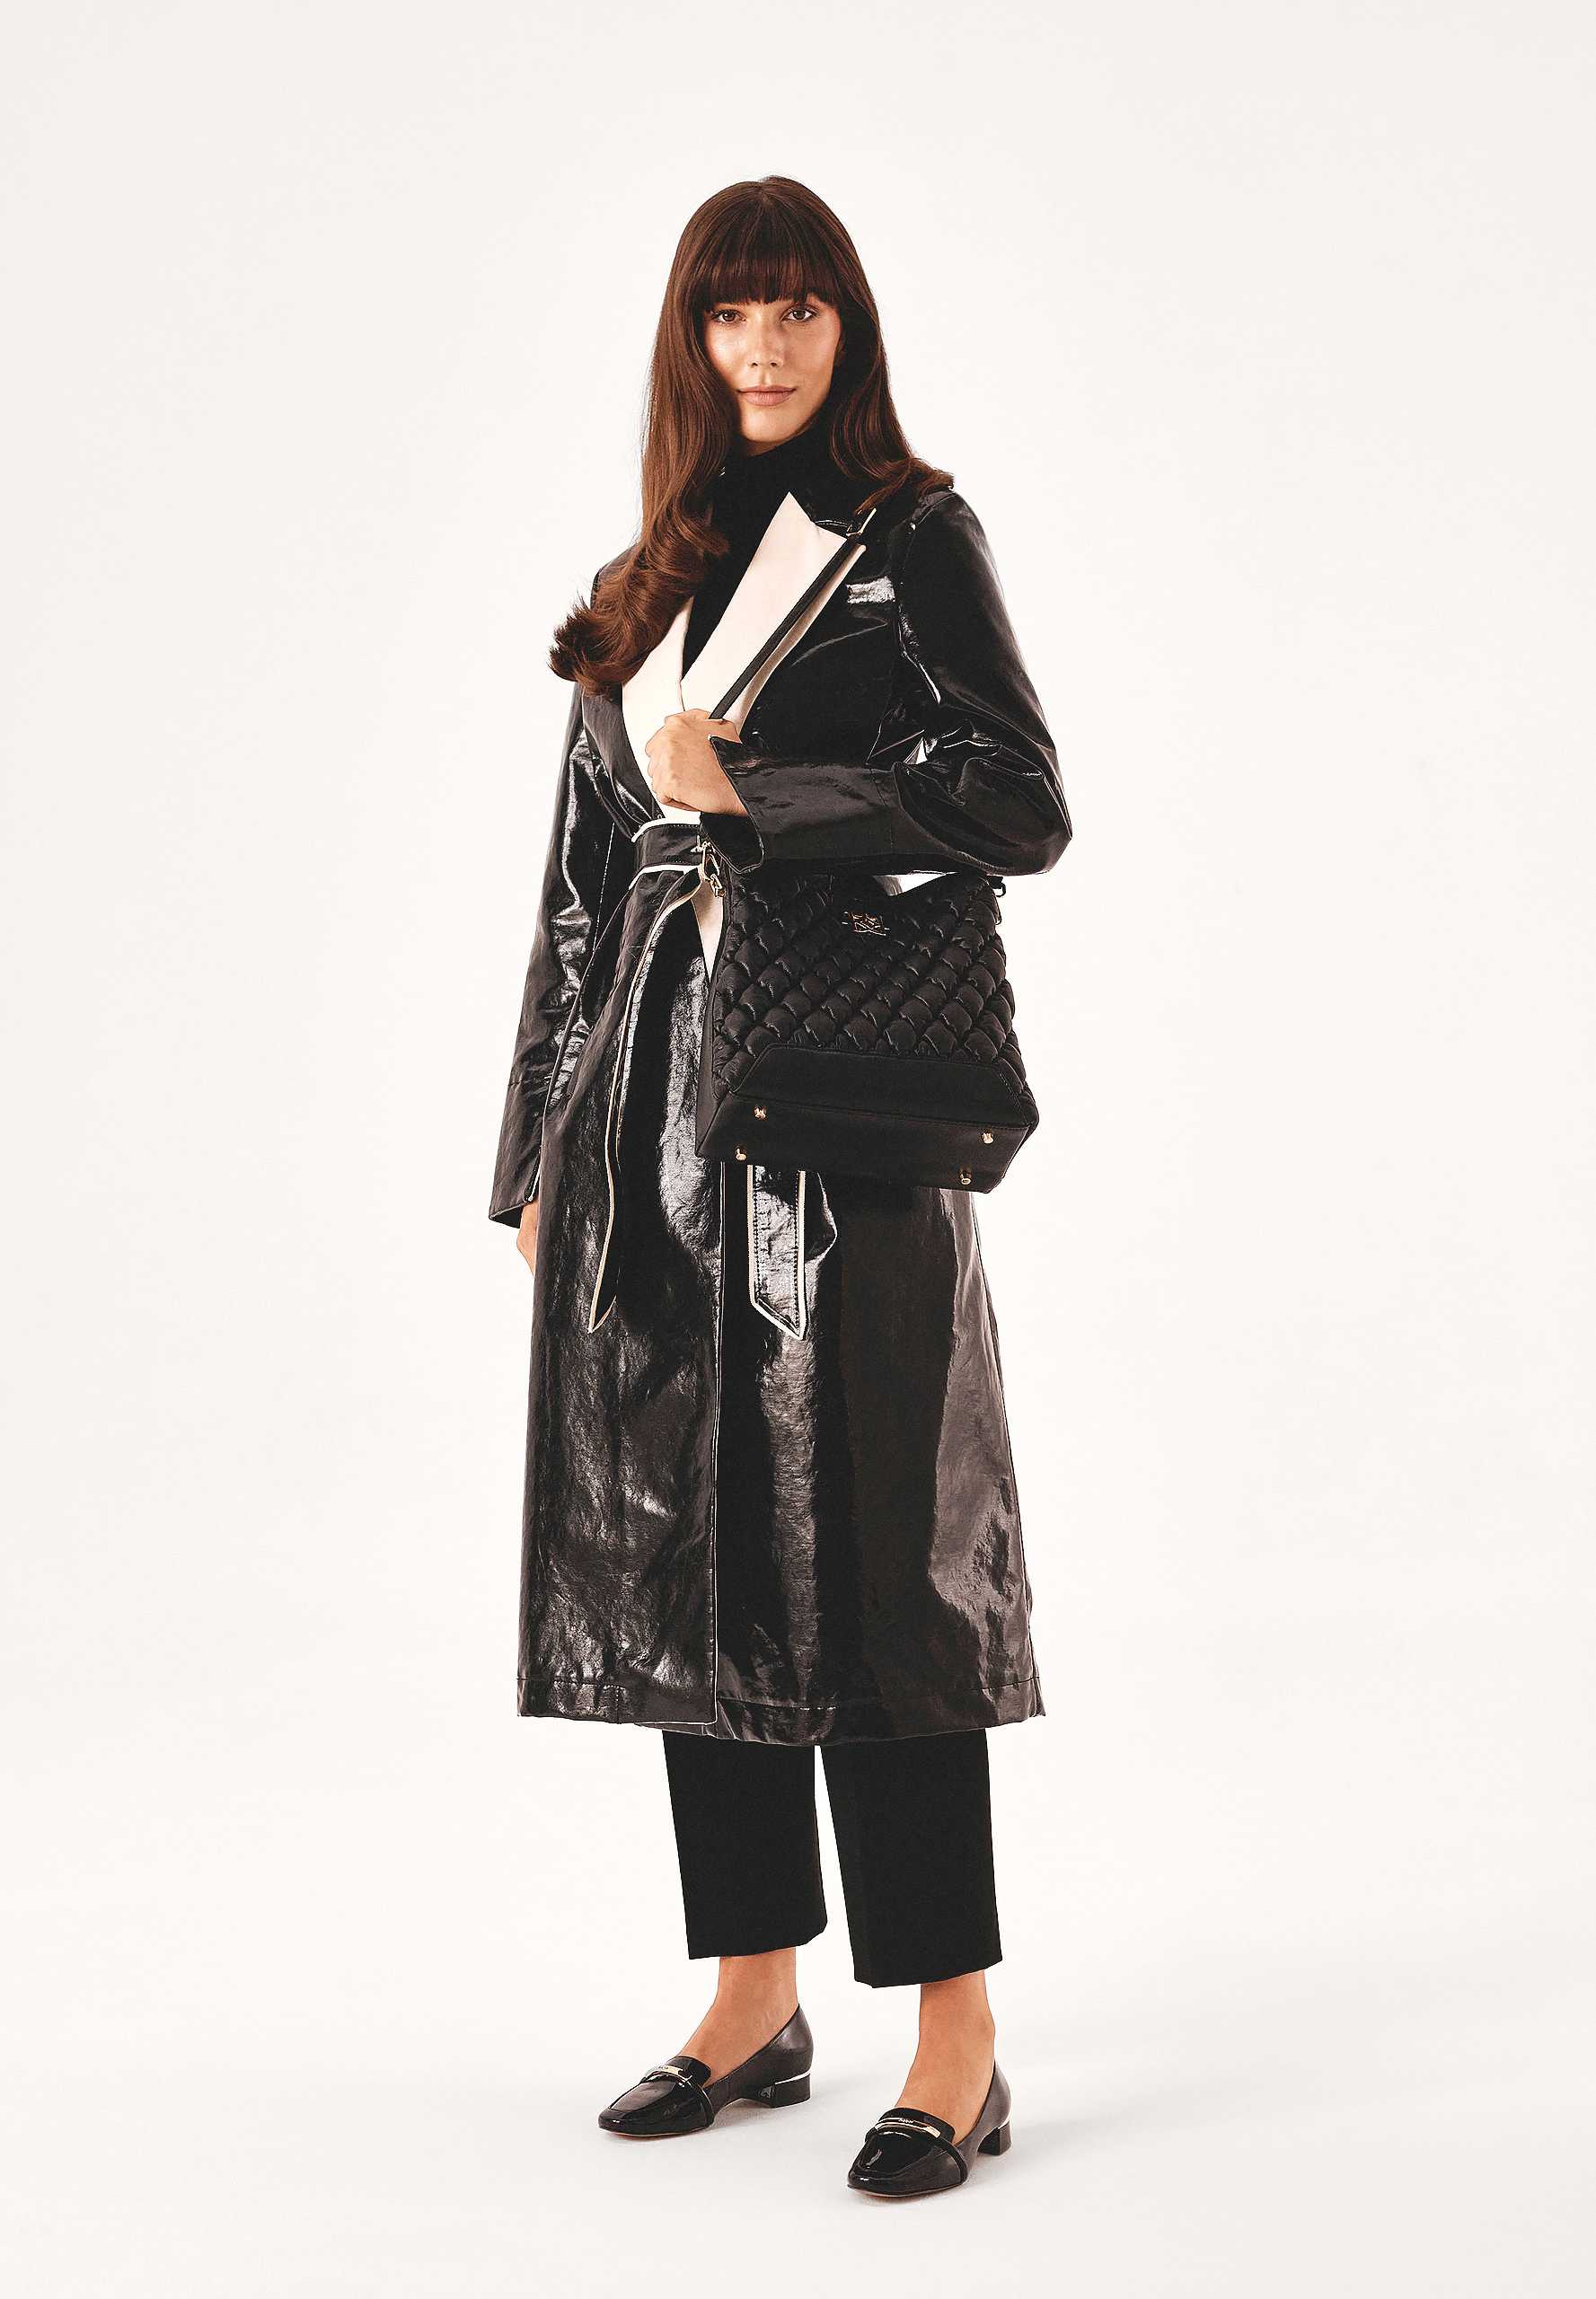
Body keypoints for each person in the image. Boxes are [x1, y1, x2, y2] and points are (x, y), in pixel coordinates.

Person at [490, 175, 1071, 2200]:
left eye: (798, 307)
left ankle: (955, 2033)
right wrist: (535, 1156)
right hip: (643, 1130)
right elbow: (581, 899)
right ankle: (751, 1995)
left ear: (847, 328)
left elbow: (1019, 798)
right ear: (689, 338)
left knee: (878, 1563)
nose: (764, 345)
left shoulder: (910, 538)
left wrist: (766, 791)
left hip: (835, 1122)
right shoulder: (639, 580)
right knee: (684, 1556)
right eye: (731, 313)